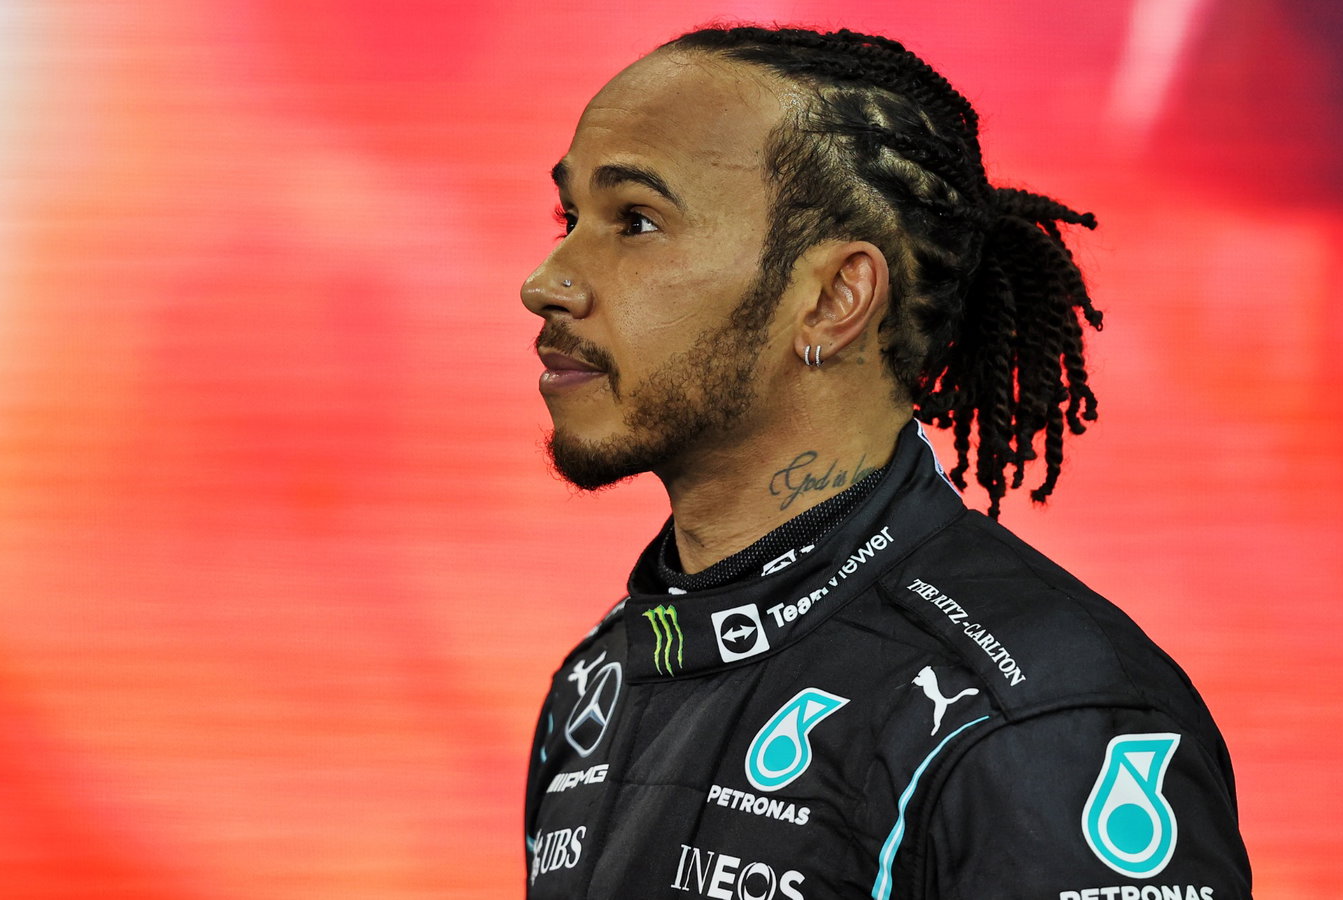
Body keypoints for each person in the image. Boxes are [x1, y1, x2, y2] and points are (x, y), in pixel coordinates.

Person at [520, 25, 1251, 900]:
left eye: (634, 221)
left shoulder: (1042, 715)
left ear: (834, 298)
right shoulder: (594, 684)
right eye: (571, 218)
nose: (547, 281)